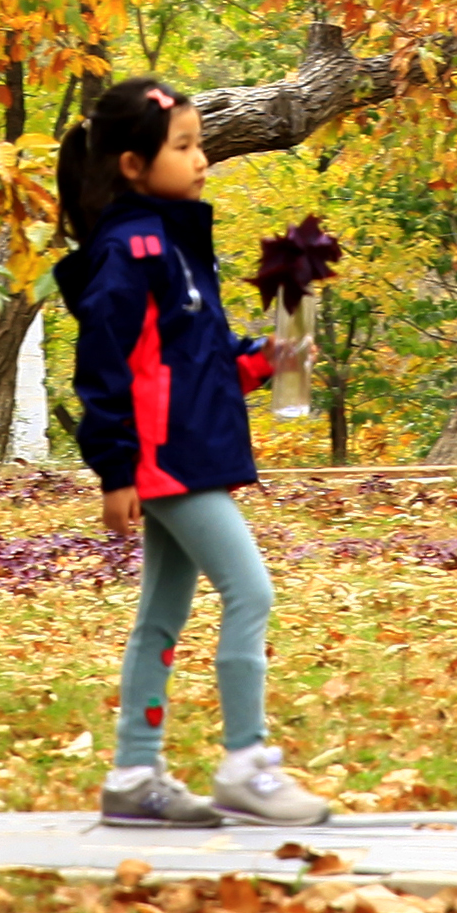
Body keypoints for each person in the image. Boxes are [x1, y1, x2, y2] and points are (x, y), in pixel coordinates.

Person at [57, 76, 335, 829]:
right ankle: (248, 762)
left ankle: (133, 774)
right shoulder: (130, 252)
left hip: (189, 450)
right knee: (253, 593)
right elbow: (104, 369)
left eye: (200, 142)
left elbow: (197, 357)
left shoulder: (176, 246)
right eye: (184, 146)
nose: (203, 159)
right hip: (166, 462)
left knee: (161, 618)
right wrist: (116, 470)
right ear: (132, 165)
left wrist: (270, 357)